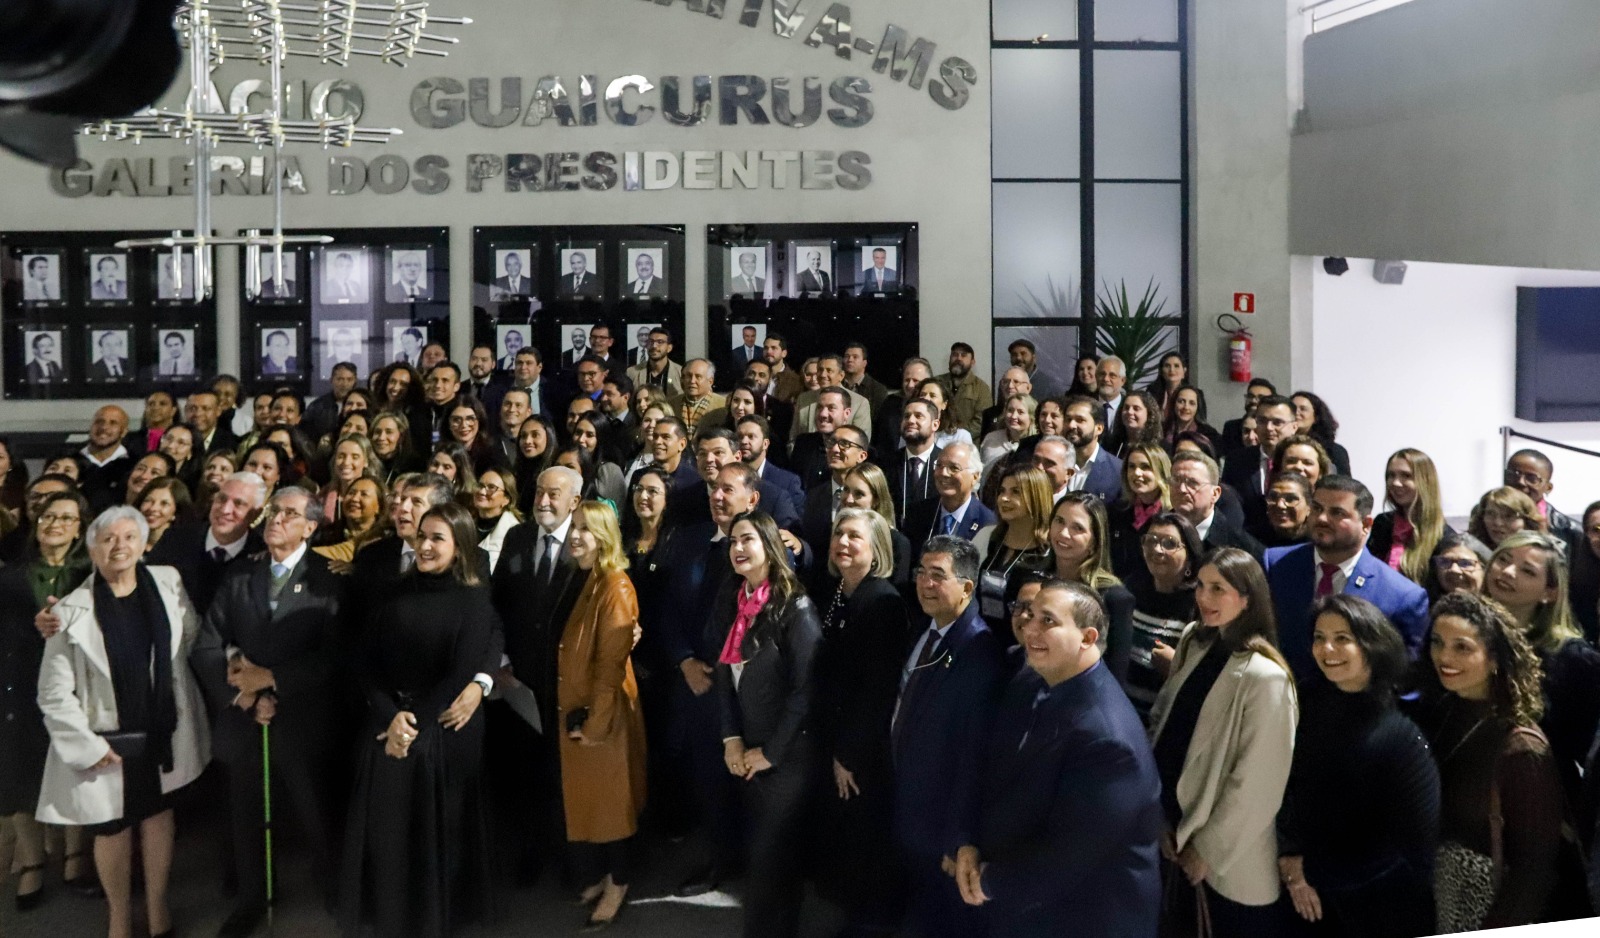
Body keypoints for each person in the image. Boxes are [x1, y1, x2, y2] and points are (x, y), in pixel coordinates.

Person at [36, 506, 211, 938]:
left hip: (161, 728)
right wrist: (87, 747)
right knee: (112, 827)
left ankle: (156, 907)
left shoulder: (168, 583)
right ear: (92, 548)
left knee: (156, 816)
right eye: (109, 539)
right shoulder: (69, 610)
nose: (120, 546)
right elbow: (53, 692)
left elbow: (190, 639)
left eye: (129, 537)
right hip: (106, 740)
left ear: (143, 544)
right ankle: (118, 916)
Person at [955, 579, 1165, 938]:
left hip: (1084, 917)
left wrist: (988, 882)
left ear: (1087, 638)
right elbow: (998, 771)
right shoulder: (1036, 678)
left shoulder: (1109, 740)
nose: (1029, 627)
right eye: (1030, 614)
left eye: (1048, 621)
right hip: (1027, 899)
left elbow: (1070, 856)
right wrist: (969, 842)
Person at [339, 502, 495, 938]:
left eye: (437, 538)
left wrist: (412, 727)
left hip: (440, 732)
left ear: (459, 547)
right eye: (422, 536)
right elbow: (363, 662)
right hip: (387, 726)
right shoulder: (392, 592)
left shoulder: (473, 601)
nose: (424, 546)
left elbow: (459, 673)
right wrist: (391, 719)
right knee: (388, 838)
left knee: (433, 840)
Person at [192, 487, 343, 937]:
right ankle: (251, 896)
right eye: (274, 511)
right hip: (244, 719)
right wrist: (241, 692)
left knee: (313, 808)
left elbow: (332, 656)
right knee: (244, 814)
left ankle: (332, 885)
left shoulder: (329, 580)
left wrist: (274, 680)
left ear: (310, 527)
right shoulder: (240, 576)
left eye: (289, 514)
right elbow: (206, 645)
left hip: (302, 720)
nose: (276, 519)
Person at [1148, 548, 1297, 937]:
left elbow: (1257, 783)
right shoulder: (1194, 640)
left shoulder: (1266, 677)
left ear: (1247, 599)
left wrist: (1207, 849)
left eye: (1218, 588)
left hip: (1228, 863)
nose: (1204, 598)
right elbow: (1166, 724)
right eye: (1200, 586)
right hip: (1175, 836)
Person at [1277, 595, 1440, 938]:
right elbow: (1290, 787)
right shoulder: (1306, 699)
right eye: (1319, 638)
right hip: (1304, 889)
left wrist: (1311, 872)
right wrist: (1292, 860)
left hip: (1370, 902)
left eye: (1342, 639)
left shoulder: (1400, 735)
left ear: (1372, 645)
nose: (1327, 649)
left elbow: (1415, 845)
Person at [1417, 592, 1569, 931]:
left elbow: (1534, 870)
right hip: (1443, 896)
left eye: (1462, 647)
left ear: (1495, 658)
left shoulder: (1521, 748)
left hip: (1491, 913)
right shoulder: (1445, 710)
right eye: (1437, 642)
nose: (1444, 656)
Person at [713, 511, 823, 938]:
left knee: (771, 863)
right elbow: (724, 673)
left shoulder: (796, 607)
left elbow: (805, 691)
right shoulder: (734, 599)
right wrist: (731, 739)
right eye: (733, 541)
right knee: (764, 861)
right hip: (749, 749)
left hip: (787, 755)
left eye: (748, 540)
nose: (738, 548)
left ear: (770, 547)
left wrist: (770, 752)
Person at [892, 537, 1006, 938]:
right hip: (908, 808)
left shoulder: (980, 653)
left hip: (939, 825)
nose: (925, 583)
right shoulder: (927, 631)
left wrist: (956, 839)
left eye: (938, 576)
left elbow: (973, 758)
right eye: (921, 573)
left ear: (968, 587)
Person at [810, 508, 911, 934]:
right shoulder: (839, 591)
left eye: (855, 537)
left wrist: (846, 754)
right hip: (833, 733)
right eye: (839, 534)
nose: (843, 543)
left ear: (877, 550)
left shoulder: (883, 602)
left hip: (861, 749)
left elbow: (876, 691)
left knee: (863, 841)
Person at [0, 491, 92, 910]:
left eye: (66, 518)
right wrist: (29, 626)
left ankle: (74, 855)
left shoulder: (89, 573)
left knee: (72, 763)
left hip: (75, 683)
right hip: (18, 681)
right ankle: (34, 860)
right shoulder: (11, 575)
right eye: (48, 516)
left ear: (79, 528)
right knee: (20, 770)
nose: (54, 524)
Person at [558, 502, 647, 928]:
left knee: (613, 805)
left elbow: (609, 667)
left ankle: (620, 882)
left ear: (605, 536)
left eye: (586, 530)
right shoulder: (583, 577)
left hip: (603, 713)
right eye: (574, 528)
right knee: (596, 802)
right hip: (582, 710)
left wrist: (595, 724)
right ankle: (606, 876)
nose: (576, 536)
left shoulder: (616, 585)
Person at [1264, 476, 1431, 679]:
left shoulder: (1402, 596)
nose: (1322, 518)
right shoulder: (1276, 564)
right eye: (1317, 508)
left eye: (1337, 513)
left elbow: (1410, 675)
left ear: (1366, 525)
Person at [1482, 531, 1600, 801]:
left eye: (1527, 571)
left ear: (1550, 592)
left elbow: (1586, 751)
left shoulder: (1574, 659)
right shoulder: (1466, 633)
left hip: (1539, 796)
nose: (1508, 572)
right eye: (1503, 559)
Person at [1125, 512, 1201, 720]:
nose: (1157, 549)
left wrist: (1177, 668)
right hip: (1123, 714)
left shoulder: (1200, 605)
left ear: (1190, 555)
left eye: (1170, 543)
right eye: (1151, 541)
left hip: (1165, 721)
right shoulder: (1131, 590)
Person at [970, 466, 1053, 625]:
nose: (1004, 498)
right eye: (1002, 491)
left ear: (1037, 497)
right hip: (981, 635)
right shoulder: (987, 536)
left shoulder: (1049, 550)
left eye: (1015, 492)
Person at [1369, 448, 1451, 584]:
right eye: (1391, 475)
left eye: (1406, 476)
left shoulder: (1443, 537)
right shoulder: (1383, 523)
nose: (1395, 482)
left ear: (1425, 482)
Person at [1171, 450, 1263, 561]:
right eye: (1176, 480)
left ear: (1215, 494)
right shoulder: (1150, 533)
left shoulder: (1241, 548)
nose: (1182, 489)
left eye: (1192, 483)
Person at [900, 442, 997, 546]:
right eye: (939, 466)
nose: (943, 473)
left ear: (975, 476)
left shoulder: (987, 523)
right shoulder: (917, 514)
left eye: (954, 468)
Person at [837, 463, 915, 592]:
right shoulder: (837, 535)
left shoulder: (897, 543)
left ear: (876, 500)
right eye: (846, 489)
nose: (849, 499)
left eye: (859, 494)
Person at [1107, 443, 1173, 577]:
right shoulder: (1117, 510)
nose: (1137, 473)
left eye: (1145, 467)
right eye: (1131, 467)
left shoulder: (1173, 514)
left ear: (1161, 471)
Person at [313, 474, 387, 566]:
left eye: (364, 494)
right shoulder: (325, 534)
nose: (354, 499)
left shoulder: (382, 542)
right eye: (351, 493)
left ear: (379, 507)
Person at [1061, 395, 1124, 502]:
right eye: (1068, 419)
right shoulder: (1053, 462)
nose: (1071, 425)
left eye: (1080, 420)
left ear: (1099, 428)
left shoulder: (1118, 471)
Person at [935, 343, 990, 439]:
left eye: (963, 355)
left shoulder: (981, 388)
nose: (958, 358)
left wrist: (955, 435)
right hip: (937, 440)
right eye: (955, 355)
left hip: (967, 445)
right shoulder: (937, 383)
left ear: (972, 362)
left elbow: (981, 422)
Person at [1290, 391, 1351, 476]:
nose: (1296, 413)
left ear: (1316, 417)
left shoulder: (1334, 451)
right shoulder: (1279, 447)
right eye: (1293, 408)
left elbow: (1344, 485)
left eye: (1303, 409)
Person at [1468, 485, 1543, 551]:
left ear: (1527, 520)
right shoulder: (1469, 552)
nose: (1498, 523)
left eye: (1508, 516)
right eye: (1490, 514)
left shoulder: (1543, 558)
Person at [977, 392, 1036, 467]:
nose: (1014, 416)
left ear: (1031, 417)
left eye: (1020, 412)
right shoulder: (991, 439)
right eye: (1010, 410)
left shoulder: (1036, 445)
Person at [136, 477, 190, 553]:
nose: (153, 508)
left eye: (164, 503)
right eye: (148, 501)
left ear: (175, 512)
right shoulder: (127, 543)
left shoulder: (182, 550)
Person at [1107, 388, 1162, 459]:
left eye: (1136, 408)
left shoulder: (1160, 447)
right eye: (1126, 408)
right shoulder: (1111, 444)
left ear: (1149, 414)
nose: (1129, 412)